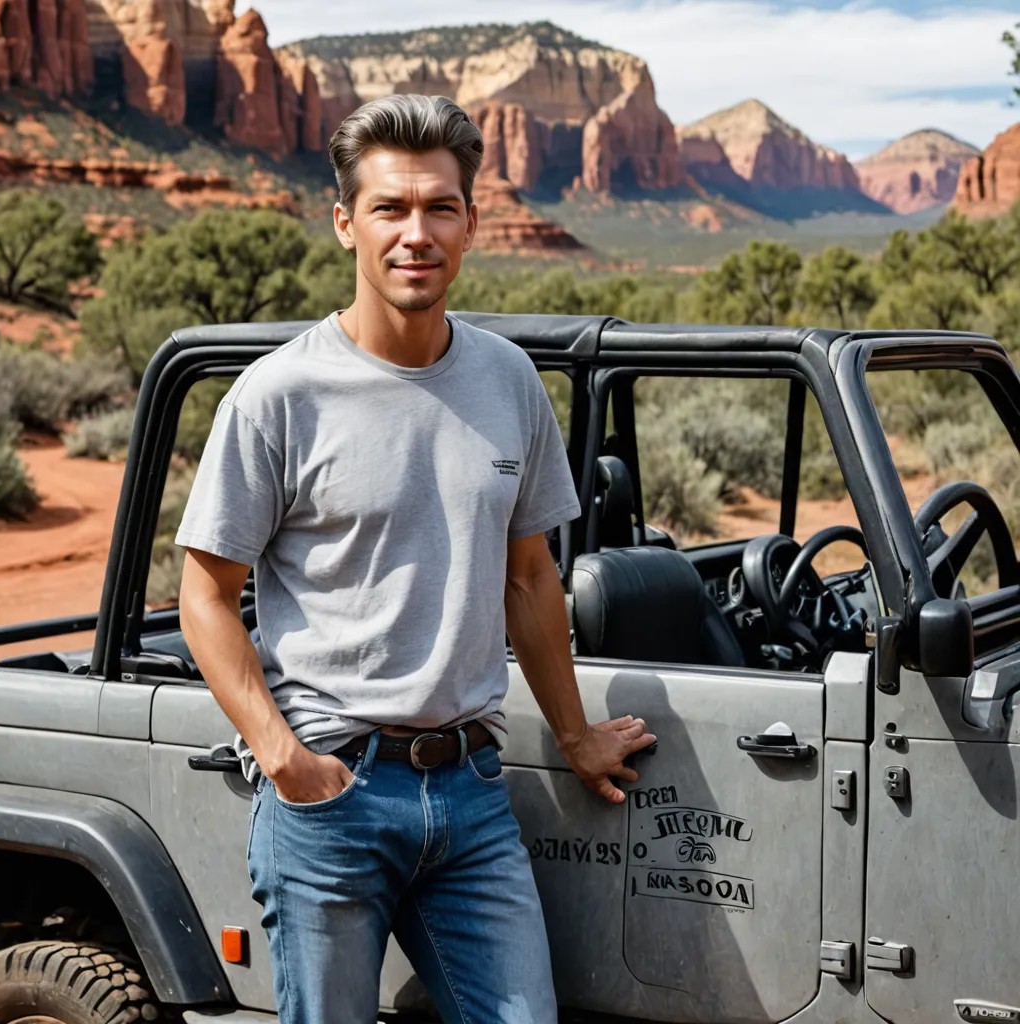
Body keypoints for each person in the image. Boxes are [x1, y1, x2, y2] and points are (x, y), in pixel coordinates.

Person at [175, 93, 656, 1024]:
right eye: (391, 208)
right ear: (346, 222)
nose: (416, 233)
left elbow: (529, 577)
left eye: (440, 207)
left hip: (473, 794)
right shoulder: (278, 397)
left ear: (473, 223)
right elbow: (205, 594)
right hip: (331, 793)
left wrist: (575, 734)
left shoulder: (507, 378)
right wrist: (283, 759)